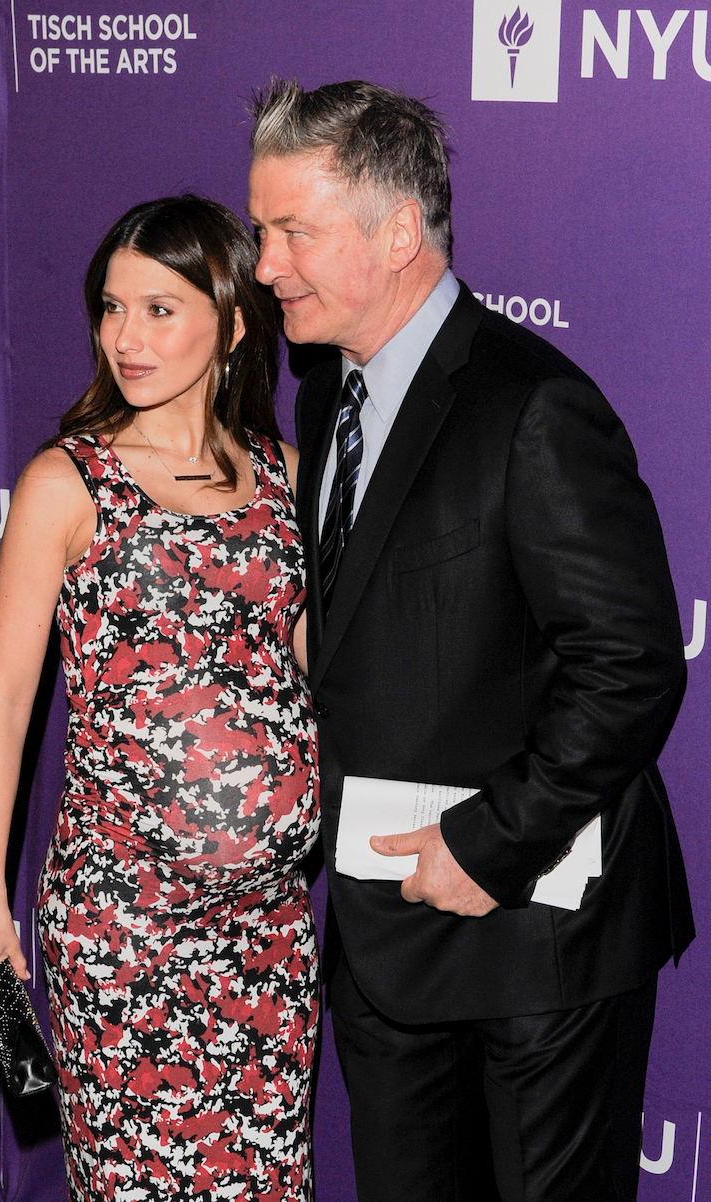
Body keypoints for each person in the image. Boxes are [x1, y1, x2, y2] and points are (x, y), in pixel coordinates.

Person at [247, 80, 694, 1202]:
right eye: (262, 230)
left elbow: (629, 663)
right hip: (385, 947)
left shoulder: (532, 407)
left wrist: (491, 843)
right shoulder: (319, 396)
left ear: (399, 231)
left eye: (292, 230)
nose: (264, 265)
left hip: (534, 945)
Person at [0, 195, 319, 1202]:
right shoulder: (70, 483)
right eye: (111, 308)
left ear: (233, 321)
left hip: (267, 936)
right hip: (124, 936)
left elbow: (299, 678)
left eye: (159, 308)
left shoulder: (284, 479)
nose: (126, 336)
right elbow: (8, 696)